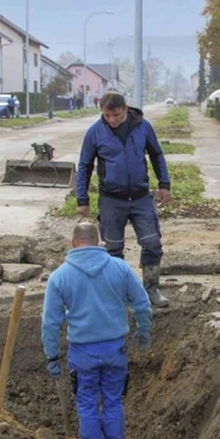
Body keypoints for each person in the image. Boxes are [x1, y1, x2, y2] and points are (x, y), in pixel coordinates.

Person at [41, 221, 153, 439]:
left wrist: (52, 356)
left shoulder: (59, 277)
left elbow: (50, 323)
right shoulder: (119, 268)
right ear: (99, 240)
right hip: (116, 349)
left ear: (72, 243)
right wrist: (143, 333)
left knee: (87, 403)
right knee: (113, 401)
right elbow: (142, 304)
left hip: (83, 353)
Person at [77, 91, 172, 308]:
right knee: (113, 250)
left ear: (125, 109)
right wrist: (82, 199)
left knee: (152, 243)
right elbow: (84, 166)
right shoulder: (95, 132)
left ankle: (151, 288)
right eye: (107, 116)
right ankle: (117, 292)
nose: (111, 120)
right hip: (111, 199)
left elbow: (156, 154)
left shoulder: (143, 127)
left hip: (140, 197)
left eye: (116, 115)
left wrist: (164, 184)